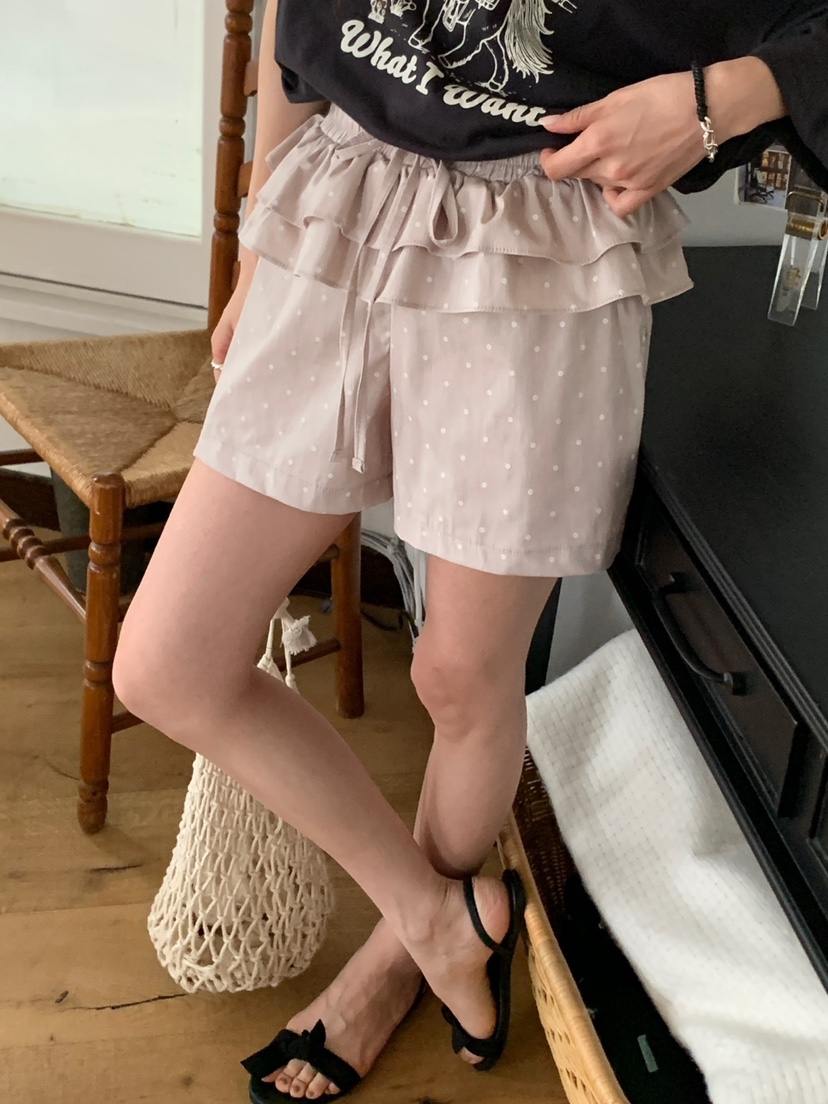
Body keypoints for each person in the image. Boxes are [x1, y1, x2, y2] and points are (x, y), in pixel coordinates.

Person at [113, 0, 828, 1099]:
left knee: (461, 678)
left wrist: (714, 101)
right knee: (168, 664)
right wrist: (263, 218)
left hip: (545, 232)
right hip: (340, 192)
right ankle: (436, 917)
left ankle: (396, 963)